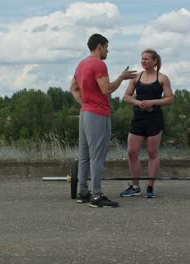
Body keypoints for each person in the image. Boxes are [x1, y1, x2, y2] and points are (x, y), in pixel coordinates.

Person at [70, 33, 137, 208]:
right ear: (99, 46)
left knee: (84, 156)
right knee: (97, 157)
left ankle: (83, 193)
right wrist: (122, 77)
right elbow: (107, 89)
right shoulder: (99, 64)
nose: (108, 50)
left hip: (85, 113)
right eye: (107, 47)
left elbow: (73, 88)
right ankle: (97, 196)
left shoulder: (81, 64)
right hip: (98, 114)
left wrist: (85, 102)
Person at [119, 48, 174, 198]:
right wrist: (139, 103)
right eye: (142, 58)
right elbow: (126, 97)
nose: (143, 61)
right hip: (138, 120)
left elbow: (170, 99)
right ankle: (135, 187)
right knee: (132, 152)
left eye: (147, 59)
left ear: (155, 61)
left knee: (152, 153)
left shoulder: (162, 78)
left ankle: (150, 188)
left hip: (155, 120)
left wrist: (153, 102)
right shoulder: (136, 77)